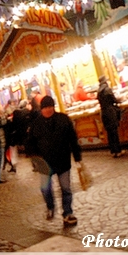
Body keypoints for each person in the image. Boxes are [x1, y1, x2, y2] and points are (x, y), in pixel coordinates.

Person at [24, 95, 82, 227]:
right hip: (45, 163)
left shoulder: (63, 119)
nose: (48, 110)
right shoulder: (36, 124)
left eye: (50, 107)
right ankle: (50, 207)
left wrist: (77, 156)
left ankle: (67, 213)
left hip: (62, 160)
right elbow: (30, 143)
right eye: (45, 108)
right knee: (45, 189)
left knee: (66, 188)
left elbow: (72, 139)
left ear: (53, 107)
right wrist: (35, 158)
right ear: (41, 109)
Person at [96, 76, 125, 158]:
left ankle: (113, 151)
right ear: (105, 81)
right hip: (110, 112)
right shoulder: (107, 89)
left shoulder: (99, 91)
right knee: (114, 132)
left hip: (103, 113)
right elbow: (114, 100)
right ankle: (118, 150)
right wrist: (120, 99)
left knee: (109, 133)